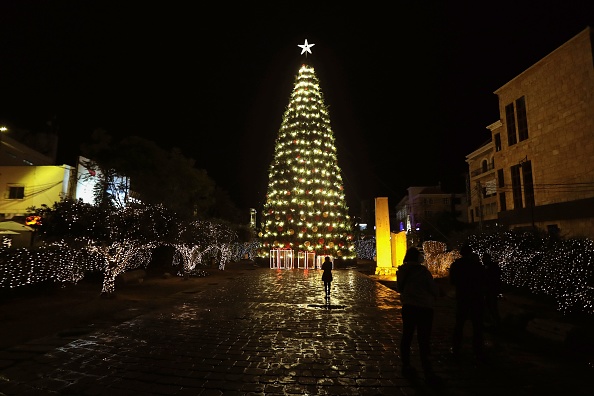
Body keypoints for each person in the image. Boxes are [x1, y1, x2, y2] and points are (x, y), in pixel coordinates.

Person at [396, 247, 443, 386]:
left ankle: (406, 364)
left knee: (407, 336)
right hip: (424, 308)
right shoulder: (423, 272)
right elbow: (433, 289)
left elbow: (399, 288)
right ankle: (427, 370)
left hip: (409, 307)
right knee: (424, 339)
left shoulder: (401, 272)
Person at [449, 244, 486, 361]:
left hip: (462, 296)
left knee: (459, 323)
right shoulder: (477, 265)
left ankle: (456, 347)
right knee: (477, 325)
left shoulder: (456, 265)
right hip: (476, 296)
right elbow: (483, 279)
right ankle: (478, 348)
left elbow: (452, 281)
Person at [482, 252, 502, 329]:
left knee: (492, 306)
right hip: (489, 290)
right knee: (489, 306)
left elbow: (494, 279)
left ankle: (496, 323)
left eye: (485, 258)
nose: (483, 260)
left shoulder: (492, 267)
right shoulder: (487, 267)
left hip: (491, 290)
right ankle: (493, 322)